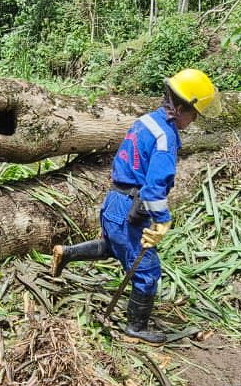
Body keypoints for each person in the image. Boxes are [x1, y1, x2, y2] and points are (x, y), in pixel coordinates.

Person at [49, 68, 219, 343]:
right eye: (194, 113)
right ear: (179, 107)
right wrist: (162, 221)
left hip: (114, 201)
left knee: (112, 247)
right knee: (148, 270)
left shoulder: (145, 121)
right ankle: (136, 327)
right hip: (131, 206)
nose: (194, 119)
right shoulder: (166, 136)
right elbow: (155, 187)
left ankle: (66, 253)